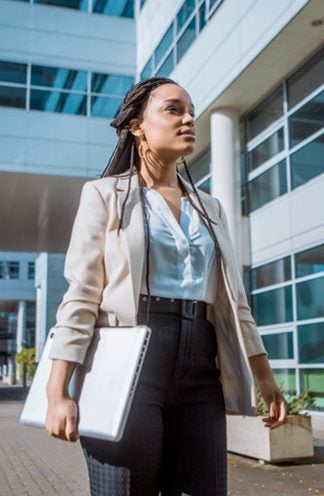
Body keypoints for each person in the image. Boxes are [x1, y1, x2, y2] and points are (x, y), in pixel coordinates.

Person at [45, 77, 287, 496]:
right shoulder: (104, 195)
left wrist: (264, 377)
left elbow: (235, 301)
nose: (189, 118)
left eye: (191, 110)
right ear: (138, 125)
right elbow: (82, 294)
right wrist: (57, 390)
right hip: (128, 363)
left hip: (201, 366)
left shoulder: (209, 207)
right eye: (174, 109)